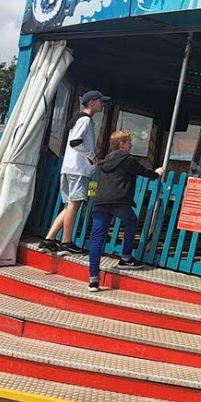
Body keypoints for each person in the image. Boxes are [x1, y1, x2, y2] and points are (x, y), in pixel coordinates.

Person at [87, 130, 166, 292]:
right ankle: (125, 258)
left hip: (100, 201)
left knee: (96, 239)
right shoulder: (128, 160)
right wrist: (157, 173)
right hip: (118, 201)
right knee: (131, 221)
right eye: (129, 142)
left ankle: (93, 279)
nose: (131, 144)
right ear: (121, 144)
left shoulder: (105, 161)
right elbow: (146, 173)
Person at [39, 90, 110, 256]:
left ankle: (49, 240)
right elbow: (75, 142)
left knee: (70, 205)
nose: (103, 104)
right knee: (74, 204)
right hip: (78, 169)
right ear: (92, 103)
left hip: (70, 167)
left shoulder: (78, 119)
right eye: (101, 101)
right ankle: (66, 243)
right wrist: (92, 157)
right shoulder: (85, 120)